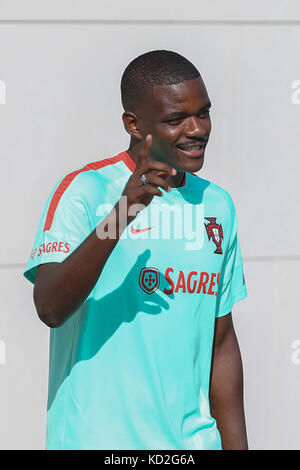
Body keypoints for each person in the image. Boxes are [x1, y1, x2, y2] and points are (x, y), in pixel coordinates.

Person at [24, 50, 248, 450]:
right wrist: (123, 212)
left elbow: (221, 341)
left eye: (204, 113)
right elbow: (49, 307)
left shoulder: (217, 206)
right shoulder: (86, 191)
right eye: (176, 119)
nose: (196, 129)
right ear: (133, 122)